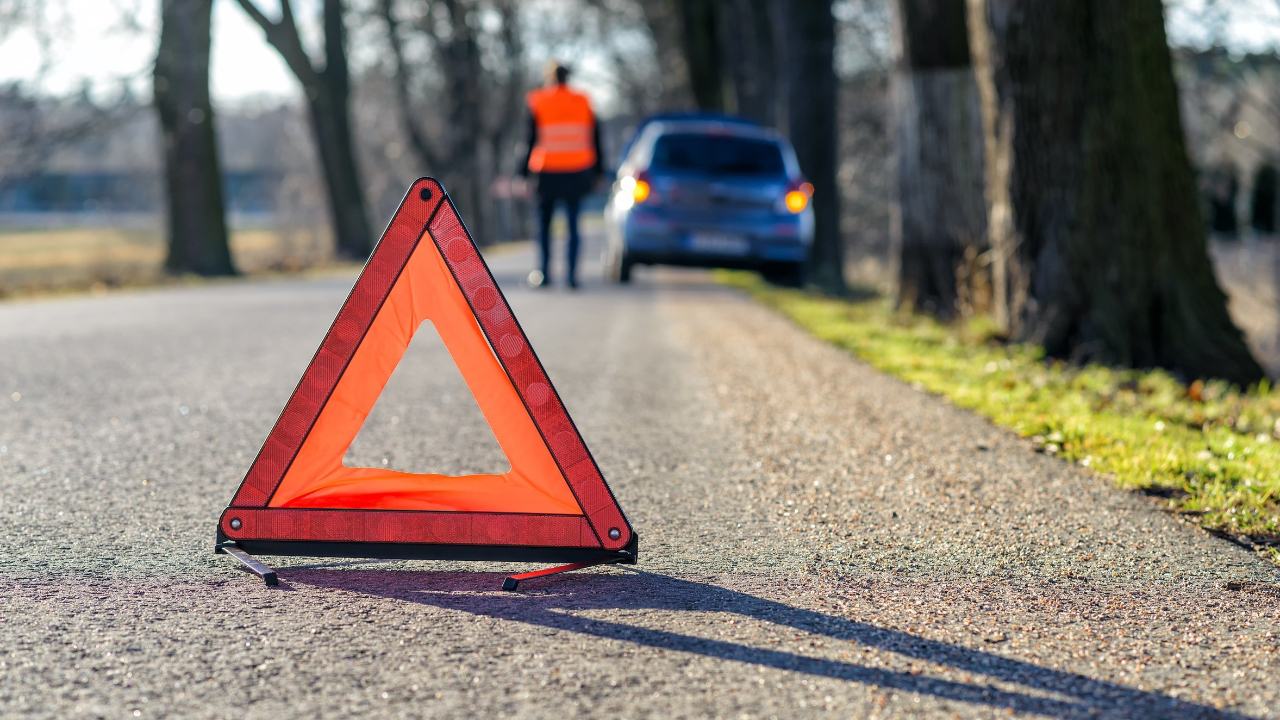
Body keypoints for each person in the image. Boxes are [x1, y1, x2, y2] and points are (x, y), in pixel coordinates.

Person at [519, 61, 604, 289]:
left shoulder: (539, 100)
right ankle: (572, 277)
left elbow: (529, 140)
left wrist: (522, 174)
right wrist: (599, 172)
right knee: (573, 225)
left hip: (547, 172)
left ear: (550, 77)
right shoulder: (583, 100)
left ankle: (544, 274)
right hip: (578, 170)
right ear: (568, 77)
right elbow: (596, 138)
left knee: (544, 226)